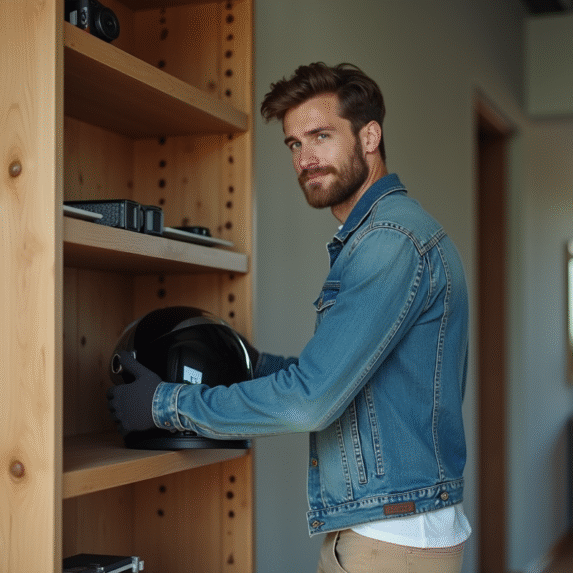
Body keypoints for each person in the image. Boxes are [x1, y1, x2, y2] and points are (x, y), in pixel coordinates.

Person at [108, 62, 470, 573]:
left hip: (389, 541)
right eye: (294, 144)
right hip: (396, 526)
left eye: (321, 136)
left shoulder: (388, 242)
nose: (305, 158)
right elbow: (357, 388)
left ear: (370, 137)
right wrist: (251, 364)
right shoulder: (396, 234)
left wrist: (165, 404)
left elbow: (312, 402)